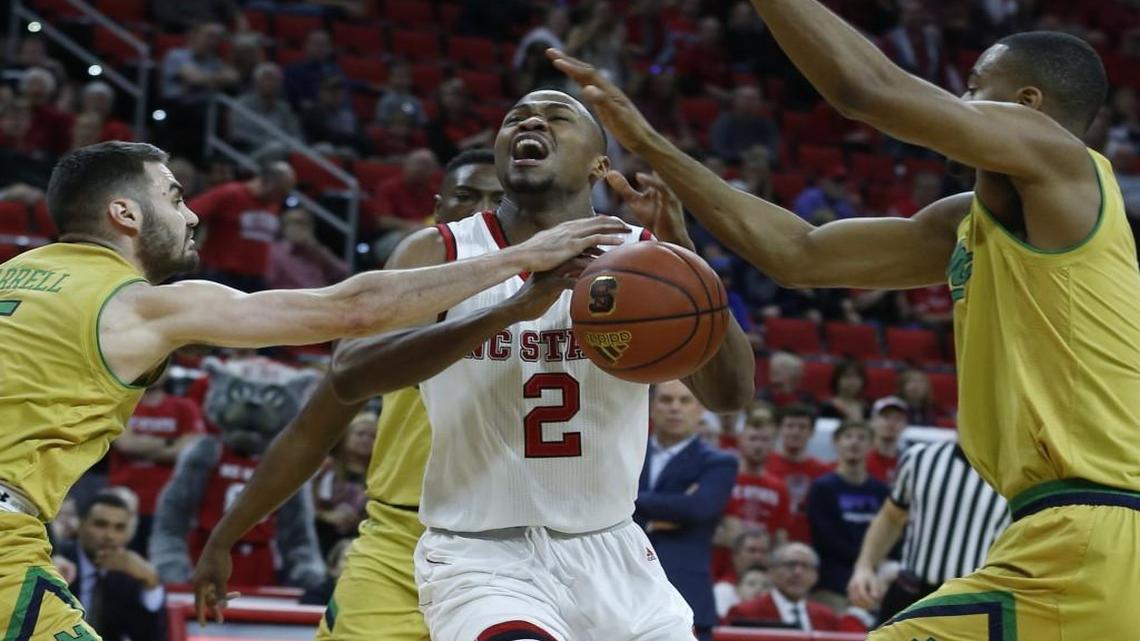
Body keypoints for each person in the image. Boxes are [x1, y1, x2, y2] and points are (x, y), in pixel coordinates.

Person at [550, 0, 1137, 634]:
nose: (958, 102)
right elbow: (798, 255)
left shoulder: (1061, 159)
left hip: (1094, 530)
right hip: (1067, 531)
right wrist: (651, 145)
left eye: (973, 91)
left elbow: (868, 88)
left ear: (1027, 106)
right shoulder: (970, 223)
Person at [0, 140, 622, 640]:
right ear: (125, 214)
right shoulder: (137, 305)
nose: (192, 214)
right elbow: (350, 311)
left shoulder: (13, 275)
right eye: (175, 197)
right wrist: (524, 257)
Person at [192, 90, 755, 640]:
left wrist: (686, 255)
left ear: (600, 164)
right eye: (517, 117)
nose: (532, 123)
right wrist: (514, 307)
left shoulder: (644, 257)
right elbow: (346, 377)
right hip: (478, 548)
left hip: (608, 548)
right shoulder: (438, 254)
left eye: (556, 116)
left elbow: (730, 395)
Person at [193, 149, 502, 640]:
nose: (482, 211)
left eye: (498, 200)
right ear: (439, 211)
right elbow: (308, 434)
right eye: (467, 197)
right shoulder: (392, 306)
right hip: (403, 541)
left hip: (517, 548)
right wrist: (225, 537)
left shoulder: (564, 297)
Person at [848, 440, 1009, 624]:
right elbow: (891, 517)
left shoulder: (1014, 471)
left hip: (972, 603)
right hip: (911, 594)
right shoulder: (919, 457)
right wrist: (864, 566)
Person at [636, 380, 739, 641]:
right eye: (667, 400)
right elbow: (603, 498)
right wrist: (674, 506)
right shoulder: (626, 453)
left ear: (700, 408)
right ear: (651, 406)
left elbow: (699, 508)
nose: (675, 408)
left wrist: (630, 500)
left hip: (686, 594)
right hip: (622, 590)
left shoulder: (720, 462)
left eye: (684, 401)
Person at [107, 370, 205, 554]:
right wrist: (170, 442)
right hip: (123, 505)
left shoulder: (185, 407)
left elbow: (192, 449)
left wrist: (142, 447)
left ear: (168, 371)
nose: (154, 367)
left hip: (169, 507)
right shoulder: (120, 404)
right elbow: (126, 444)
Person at [57, 492, 165, 641]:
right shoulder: (58, 560)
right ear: (80, 525)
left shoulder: (131, 573)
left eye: (119, 528)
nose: (110, 536)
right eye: (101, 524)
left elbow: (148, 635)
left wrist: (151, 581)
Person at [805, 420, 889, 610]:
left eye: (861, 438)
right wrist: (867, 559)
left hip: (874, 580)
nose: (854, 442)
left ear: (871, 445)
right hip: (832, 582)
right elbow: (826, 539)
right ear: (836, 443)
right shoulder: (822, 488)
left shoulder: (881, 491)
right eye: (848, 437)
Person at [188, 160, 297, 291]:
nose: (282, 199)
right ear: (268, 183)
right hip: (222, 276)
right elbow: (191, 213)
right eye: (281, 192)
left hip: (255, 279)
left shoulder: (273, 204)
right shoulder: (230, 193)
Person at [723, 542, 865, 633]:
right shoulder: (744, 613)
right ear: (772, 572)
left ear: (815, 576)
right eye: (791, 564)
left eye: (805, 566)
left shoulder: (827, 616)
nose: (798, 572)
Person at [765, 404, 830, 543]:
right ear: (779, 429)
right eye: (789, 426)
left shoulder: (823, 471)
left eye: (802, 427)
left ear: (812, 432)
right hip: (768, 542)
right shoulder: (764, 464)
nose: (795, 432)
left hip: (808, 543)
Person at [266, 207, 350, 290]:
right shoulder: (274, 252)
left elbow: (345, 274)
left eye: (303, 223)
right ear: (284, 228)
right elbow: (268, 284)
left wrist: (318, 251)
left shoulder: (317, 251)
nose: (298, 228)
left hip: (320, 298)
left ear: (311, 227)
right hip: (290, 300)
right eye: (294, 223)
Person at [866, 396, 909, 484]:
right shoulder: (859, 458)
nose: (891, 423)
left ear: (905, 425)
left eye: (898, 418)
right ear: (872, 421)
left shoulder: (908, 463)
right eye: (886, 417)